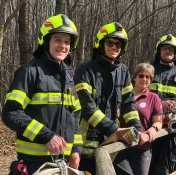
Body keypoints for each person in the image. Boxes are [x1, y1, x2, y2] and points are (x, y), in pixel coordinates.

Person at [1, 14, 83, 174]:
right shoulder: (29, 72)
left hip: (63, 164)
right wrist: (46, 136)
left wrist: (76, 150)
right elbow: (10, 113)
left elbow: (75, 116)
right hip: (34, 165)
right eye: (57, 40)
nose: (63, 46)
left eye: (67, 42)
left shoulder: (69, 76)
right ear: (46, 42)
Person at [74, 22, 142, 174]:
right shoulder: (85, 70)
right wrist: (114, 130)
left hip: (113, 142)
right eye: (110, 42)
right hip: (87, 145)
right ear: (100, 43)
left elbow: (128, 104)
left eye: (118, 44)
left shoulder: (123, 71)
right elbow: (87, 107)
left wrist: (137, 128)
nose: (114, 47)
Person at [148, 34, 176, 175]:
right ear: (159, 51)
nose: (168, 51)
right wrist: (160, 104)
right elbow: (139, 96)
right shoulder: (149, 70)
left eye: (171, 49)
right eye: (165, 48)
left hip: (172, 129)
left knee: (166, 166)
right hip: (150, 125)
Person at [113, 63, 163, 175]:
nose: (144, 79)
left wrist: (153, 129)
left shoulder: (153, 98)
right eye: (141, 76)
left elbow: (158, 121)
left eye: (148, 77)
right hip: (120, 146)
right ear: (134, 77)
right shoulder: (122, 95)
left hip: (142, 147)